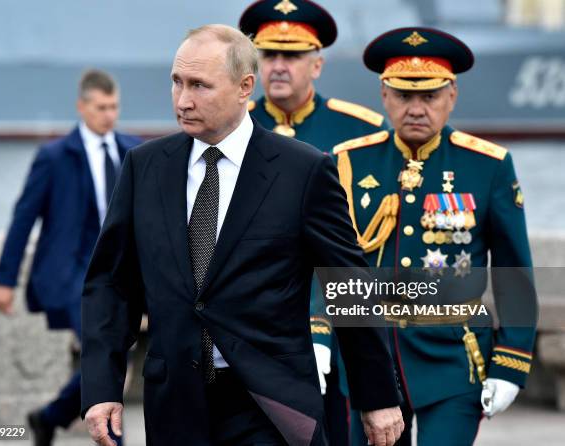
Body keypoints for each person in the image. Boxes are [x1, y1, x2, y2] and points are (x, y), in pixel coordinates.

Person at [81, 24, 404, 446]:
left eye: (199, 85)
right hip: (175, 403)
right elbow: (111, 284)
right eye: (177, 82)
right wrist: (102, 388)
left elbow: (350, 285)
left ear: (244, 87)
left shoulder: (303, 172)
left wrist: (377, 398)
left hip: (271, 405)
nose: (183, 100)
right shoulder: (145, 168)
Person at [331, 27, 538, 445]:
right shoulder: (349, 162)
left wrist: (511, 363)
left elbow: (514, 271)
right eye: (404, 96)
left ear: (452, 96)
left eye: (429, 96)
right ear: (384, 96)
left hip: (453, 357)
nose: (417, 108)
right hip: (371, 356)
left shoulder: (488, 165)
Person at [238, 2, 389, 443]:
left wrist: (321, 326)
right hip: (254, 330)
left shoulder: (360, 133)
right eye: (269, 55)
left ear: (317, 64)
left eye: (293, 56)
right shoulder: (233, 127)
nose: (279, 66)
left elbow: (351, 249)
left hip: (337, 339)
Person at [0, 69, 142, 446]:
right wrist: (5, 280)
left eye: (114, 107)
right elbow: (24, 218)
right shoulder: (54, 156)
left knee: (113, 351)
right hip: (68, 275)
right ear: (82, 107)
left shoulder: (134, 152)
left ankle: (50, 415)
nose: (109, 115)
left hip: (118, 275)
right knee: (105, 351)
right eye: (101, 107)